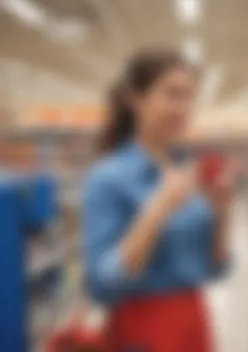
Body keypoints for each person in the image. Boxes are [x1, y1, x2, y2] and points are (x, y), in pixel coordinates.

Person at [81, 49, 234, 352]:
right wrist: (158, 209)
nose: (183, 108)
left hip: (194, 319)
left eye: (190, 96)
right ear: (134, 98)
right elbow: (100, 287)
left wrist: (222, 212)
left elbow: (214, 269)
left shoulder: (183, 171)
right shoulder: (107, 178)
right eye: (172, 94)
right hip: (143, 330)